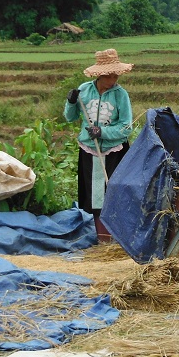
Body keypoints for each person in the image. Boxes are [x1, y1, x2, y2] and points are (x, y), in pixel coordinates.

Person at [64, 48, 133, 242]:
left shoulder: (121, 95)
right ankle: (103, 240)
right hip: (90, 150)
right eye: (110, 76)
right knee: (96, 197)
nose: (114, 80)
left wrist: (103, 132)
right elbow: (71, 117)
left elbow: (126, 127)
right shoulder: (84, 90)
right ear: (100, 75)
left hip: (114, 152)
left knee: (115, 193)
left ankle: (120, 238)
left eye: (116, 75)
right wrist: (70, 103)